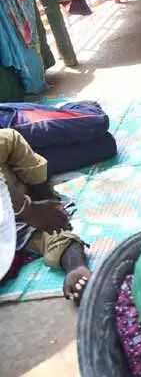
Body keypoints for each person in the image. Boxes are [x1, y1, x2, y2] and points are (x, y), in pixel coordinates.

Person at [1, 129, 90, 301]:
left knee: (98, 134)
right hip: (16, 205)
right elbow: (54, 239)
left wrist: (34, 202)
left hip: (22, 189)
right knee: (100, 143)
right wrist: (76, 267)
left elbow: (12, 138)